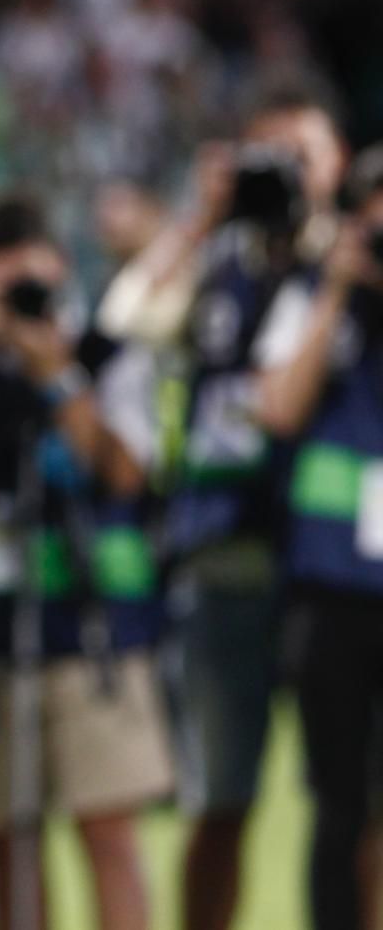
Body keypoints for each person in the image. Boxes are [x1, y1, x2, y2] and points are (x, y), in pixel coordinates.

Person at [103, 82, 350, 930]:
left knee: (352, 800)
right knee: (221, 799)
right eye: (267, 157)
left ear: (338, 166)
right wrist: (199, 217)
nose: (286, 175)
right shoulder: (216, 265)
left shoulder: (355, 262)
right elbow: (126, 321)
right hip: (222, 559)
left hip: (338, 569)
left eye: (302, 157)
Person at [0, 195, 172, 930]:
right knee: (6, 838)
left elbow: (126, 472)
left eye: (35, 286)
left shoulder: (107, 353)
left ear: (63, 271)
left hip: (93, 628)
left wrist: (57, 374)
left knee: (109, 833)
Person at [253, 145, 383, 930]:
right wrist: (338, 286)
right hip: (332, 589)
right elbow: (278, 407)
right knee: (337, 800)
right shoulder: (312, 293)